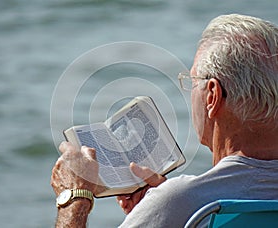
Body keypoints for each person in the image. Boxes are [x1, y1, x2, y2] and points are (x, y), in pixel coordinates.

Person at [51, 14, 278, 227]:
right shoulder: (182, 205)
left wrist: (74, 197)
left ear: (212, 96)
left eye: (192, 80)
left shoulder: (186, 204)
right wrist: (156, 212)